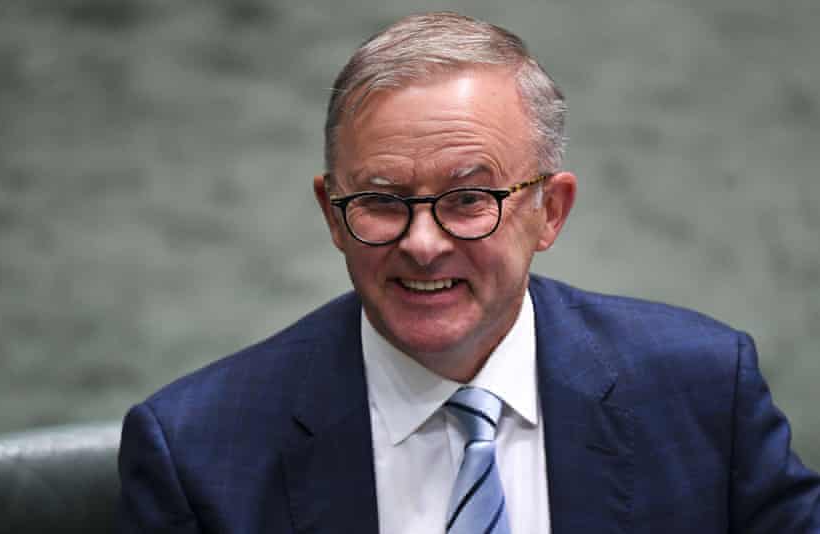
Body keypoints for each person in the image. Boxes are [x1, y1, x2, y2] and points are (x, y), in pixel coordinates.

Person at [117, 11, 820, 534]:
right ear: (333, 215)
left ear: (550, 211)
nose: (423, 244)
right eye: (382, 202)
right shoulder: (198, 453)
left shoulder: (701, 393)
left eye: (468, 200)